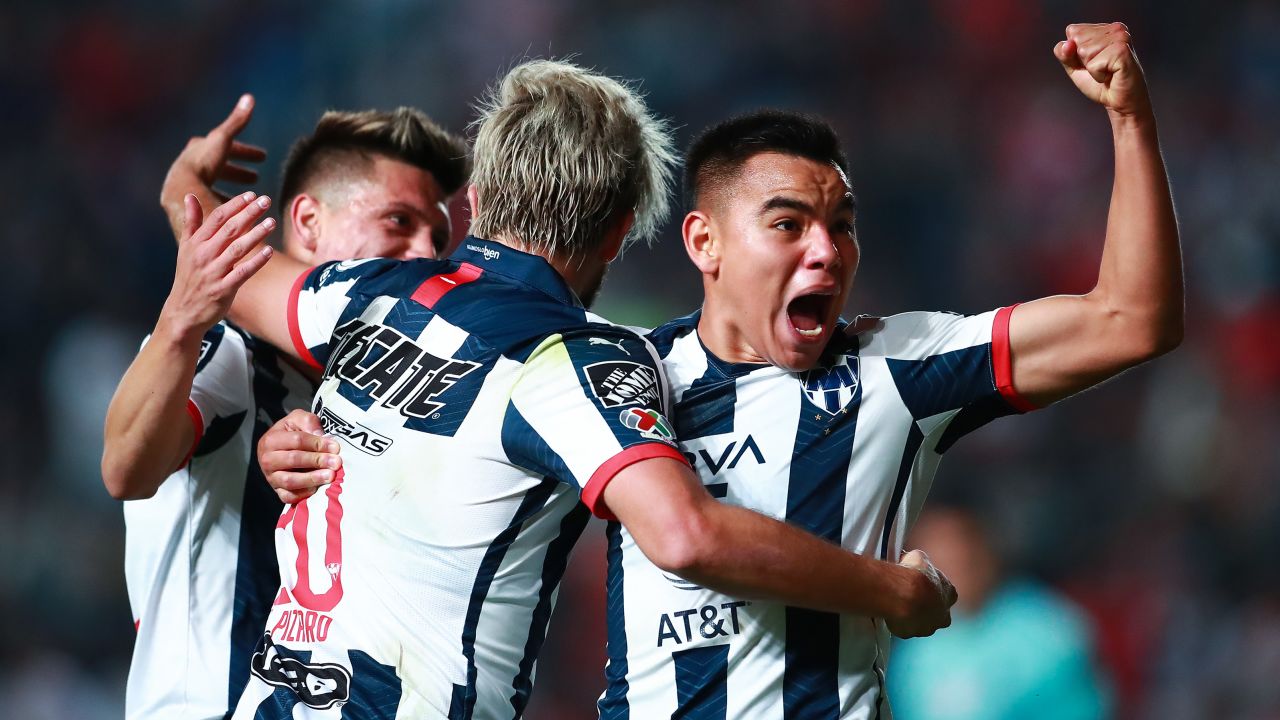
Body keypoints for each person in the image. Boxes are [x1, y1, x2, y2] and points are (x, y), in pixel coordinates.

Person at [261, 21, 1181, 719]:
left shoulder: (902, 368)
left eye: (842, 226)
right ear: (701, 241)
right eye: (788, 225)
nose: (826, 252)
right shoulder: (620, 372)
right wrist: (311, 444)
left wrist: (1131, 117)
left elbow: (1131, 319)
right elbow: (452, 464)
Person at [187, 59, 957, 718]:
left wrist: (186, 186)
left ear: (478, 201)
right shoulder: (575, 360)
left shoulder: (369, 292)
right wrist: (889, 590)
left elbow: (221, 255)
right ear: (621, 233)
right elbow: (686, 535)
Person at [101, 98, 469, 720]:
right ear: (307, 221)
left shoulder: (368, 399)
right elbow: (124, 470)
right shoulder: (230, 351)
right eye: (399, 221)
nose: (425, 254)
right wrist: (182, 319)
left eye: (438, 238)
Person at [889, 507, 1112, 720]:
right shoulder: (914, 648)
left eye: (963, 561)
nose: (952, 574)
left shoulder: (1050, 630)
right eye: (940, 565)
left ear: (986, 552)